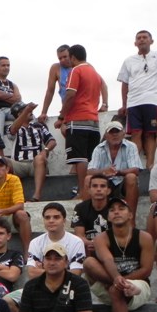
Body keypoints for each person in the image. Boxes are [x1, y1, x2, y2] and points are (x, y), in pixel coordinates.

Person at [83, 197, 153, 312]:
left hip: (139, 284)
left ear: (130, 215)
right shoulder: (101, 237)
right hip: (110, 280)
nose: (116, 212)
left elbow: (147, 270)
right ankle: (121, 287)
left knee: (116, 290)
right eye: (112, 210)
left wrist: (125, 282)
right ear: (108, 216)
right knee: (88, 263)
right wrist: (117, 279)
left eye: (121, 208)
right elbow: (107, 259)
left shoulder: (144, 237)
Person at [4, 202, 86, 312]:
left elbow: (75, 274)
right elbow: (32, 273)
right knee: (7, 301)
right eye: (47, 217)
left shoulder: (76, 242)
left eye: (56, 217)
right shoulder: (35, 242)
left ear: (64, 221)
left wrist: (44, 270)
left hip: (67, 288)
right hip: (39, 288)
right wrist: (62, 271)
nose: (51, 220)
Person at [54, 45, 103, 200]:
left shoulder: (76, 70)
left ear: (73, 57)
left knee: (80, 158)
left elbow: (70, 95)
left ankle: (83, 192)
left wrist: (61, 117)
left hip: (78, 119)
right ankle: (92, 191)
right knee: (91, 158)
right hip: (94, 120)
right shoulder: (94, 72)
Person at [117, 30, 157, 168]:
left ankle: (150, 165)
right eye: (139, 38)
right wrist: (124, 104)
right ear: (135, 43)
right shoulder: (128, 61)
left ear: (151, 41)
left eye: (144, 37)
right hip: (133, 102)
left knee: (150, 134)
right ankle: (134, 165)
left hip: (152, 100)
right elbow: (125, 84)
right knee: (136, 133)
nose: (142, 40)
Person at [39, 44, 109, 126]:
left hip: (85, 108)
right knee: (65, 129)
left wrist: (105, 104)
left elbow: (103, 84)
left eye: (65, 57)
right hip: (67, 108)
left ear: (72, 56)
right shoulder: (56, 68)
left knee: (68, 129)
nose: (62, 60)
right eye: (60, 58)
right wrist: (44, 112)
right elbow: (50, 91)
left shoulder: (84, 66)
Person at [87, 120, 143, 219]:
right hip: (105, 182)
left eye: (117, 131)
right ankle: (88, 217)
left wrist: (118, 172)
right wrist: (104, 172)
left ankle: (130, 219)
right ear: (106, 135)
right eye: (111, 132)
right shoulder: (99, 148)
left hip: (122, 183)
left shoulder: (131, 146)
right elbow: (90, 171)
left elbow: (136, 169)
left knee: (131, 177)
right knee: (88, 179)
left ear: (123, 133)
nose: (114, 134)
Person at [8, 101, 57, 202]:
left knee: (39, 158)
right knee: (1, 161)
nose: (31, 112)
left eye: (29, 110)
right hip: (18, 164)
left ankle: (36, 196)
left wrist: (45, 150)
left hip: (36, 164)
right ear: (19, 114)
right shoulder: (13, 127)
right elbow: (13, 130)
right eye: (26, 110)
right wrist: (27, 110)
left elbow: (52, 141)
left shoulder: (39, 126)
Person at [70, 174, 111, 256]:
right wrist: (91, 243)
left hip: (111, 248)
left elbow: (121, 234)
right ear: (89, 190)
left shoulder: (114, 207)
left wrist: (101, 245)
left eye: (102, 186)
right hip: (89, 247)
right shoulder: (80, 208)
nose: (98, 189)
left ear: (108, 191)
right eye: (95, 186)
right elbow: (79, 235)